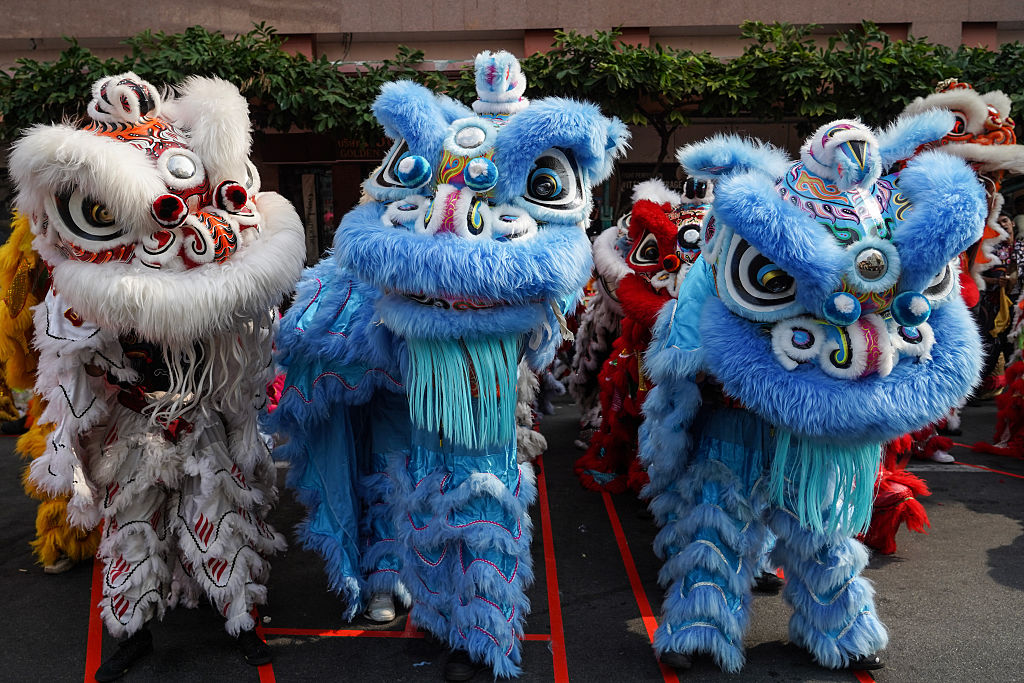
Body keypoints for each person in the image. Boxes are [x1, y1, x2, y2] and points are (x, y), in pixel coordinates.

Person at [9, 73, 305, 680]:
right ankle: (133, 630)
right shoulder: (76, 290)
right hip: (132, 421)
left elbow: (246, 325)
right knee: (132, 524)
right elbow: (68, 362)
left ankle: (241, 617)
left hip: (202, 412)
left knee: (223, 513)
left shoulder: (212, 270)